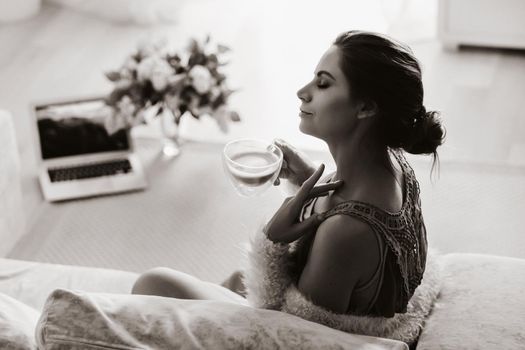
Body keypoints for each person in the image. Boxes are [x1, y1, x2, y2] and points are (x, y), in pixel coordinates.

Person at [132, 30, 445, 345]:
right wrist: (305, 177)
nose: (302, 92)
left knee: (152, 283)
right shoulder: (393, 166)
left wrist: (270, 244)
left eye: (323, 84)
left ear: (365, 108)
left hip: (294, 336)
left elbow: (289, 336)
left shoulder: (345, 233)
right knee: (231, 280)